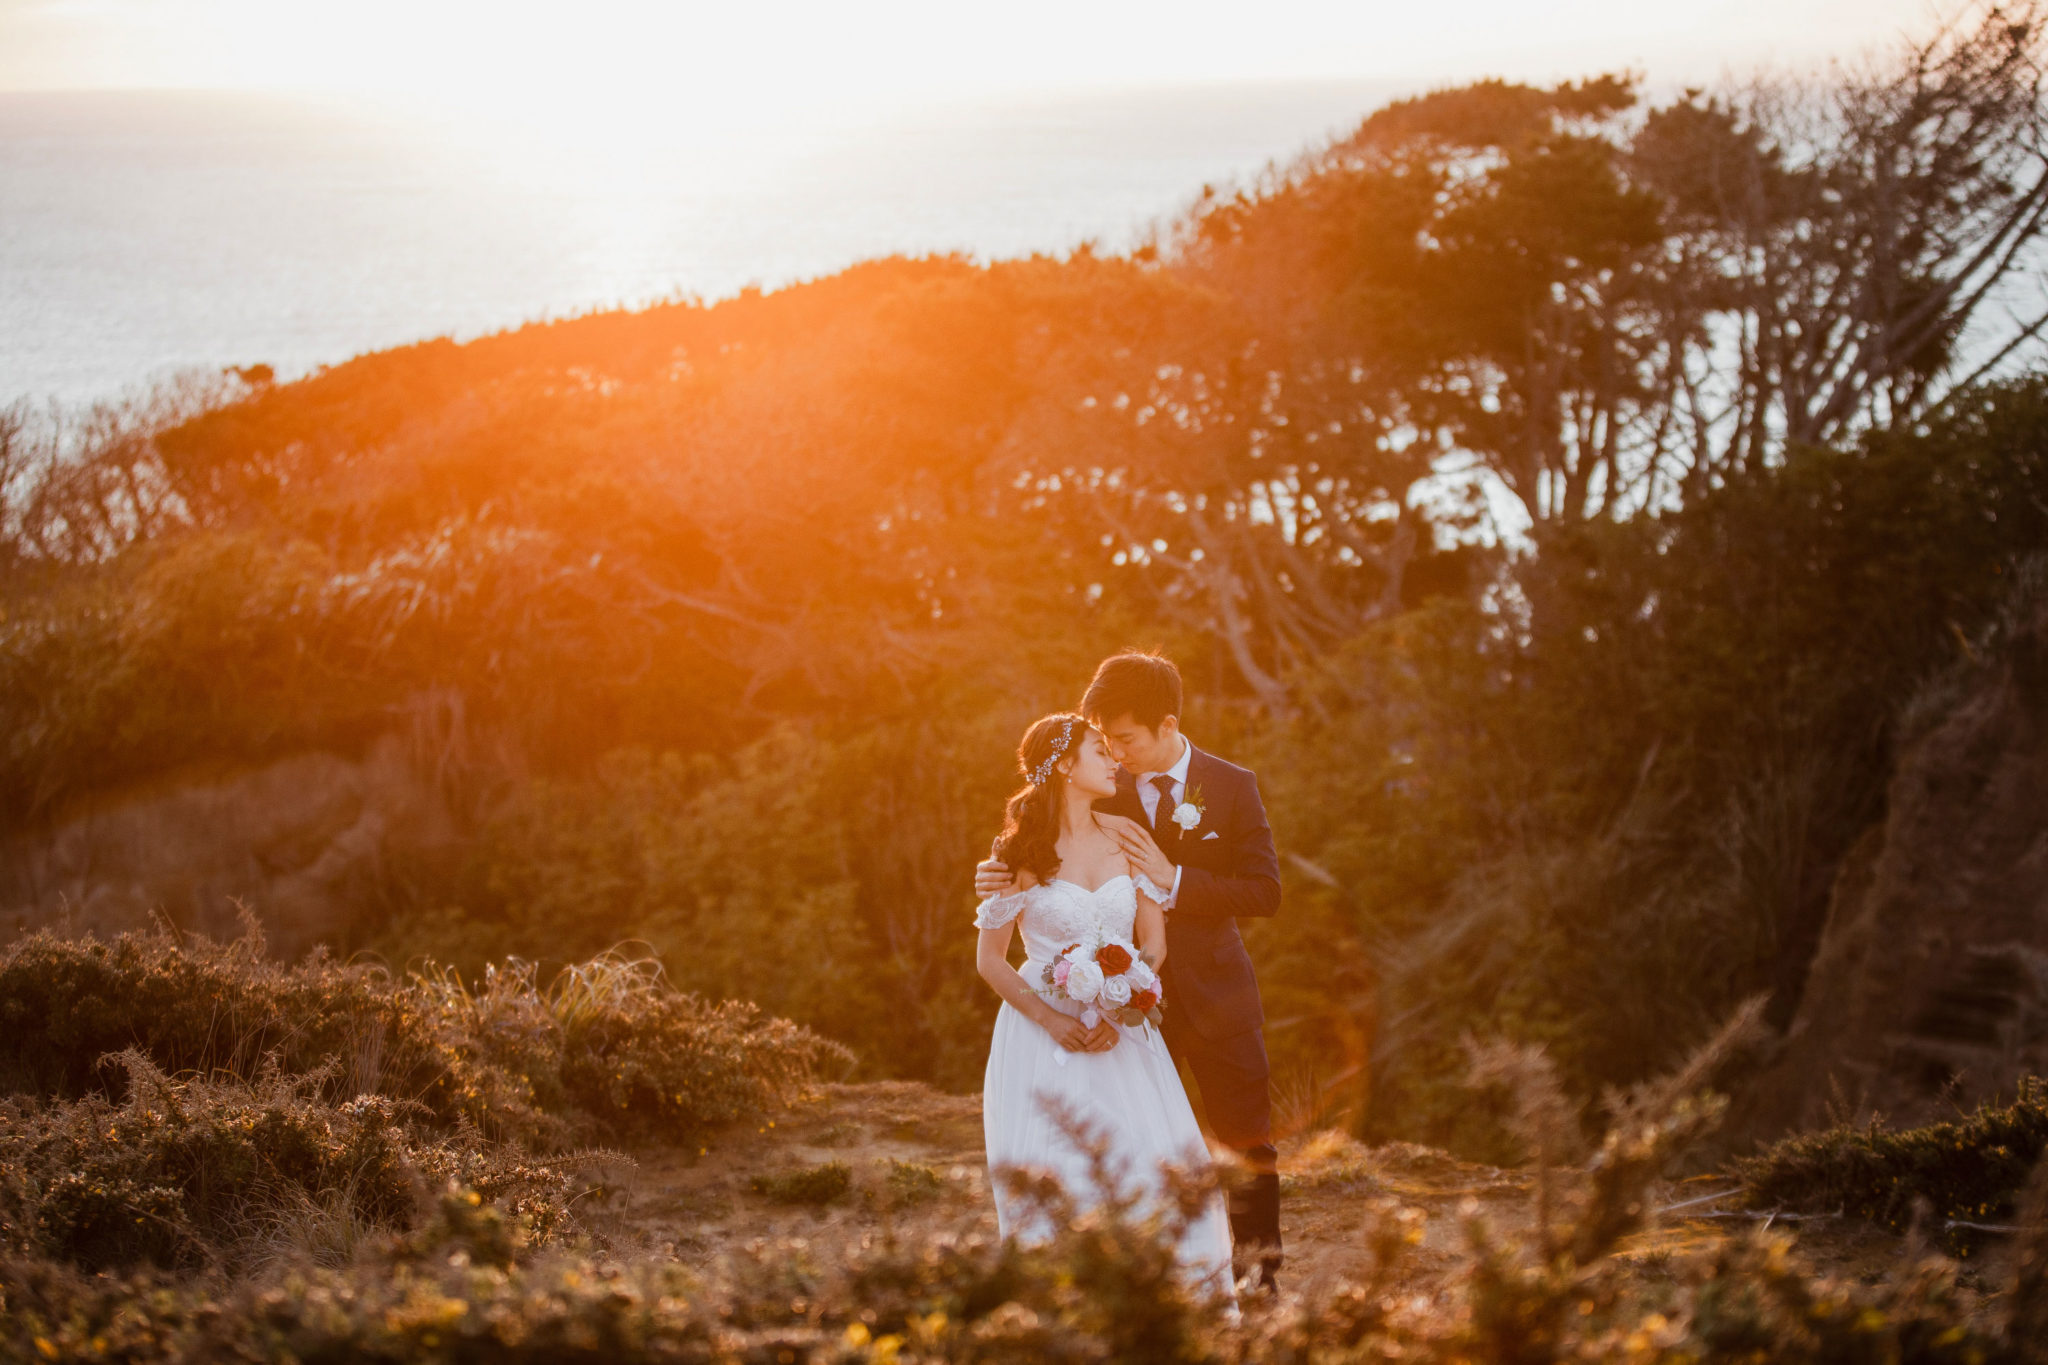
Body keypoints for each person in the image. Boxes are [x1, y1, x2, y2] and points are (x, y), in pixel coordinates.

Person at [977, 650, 1283, 1292]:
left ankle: (1258, 1274)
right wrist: (996, 878)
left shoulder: (1230, 786)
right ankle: (1123, 1275)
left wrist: (1176, 879)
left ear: (1166, 726)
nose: (1115, 754)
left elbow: (1264, 892)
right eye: (1104, 741)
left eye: (1125, 740)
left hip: (1208, 990)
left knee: (1244, 1139)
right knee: (1135, 1145)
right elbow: (1039, 858)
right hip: (1113, 1003)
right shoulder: (1101, 800)